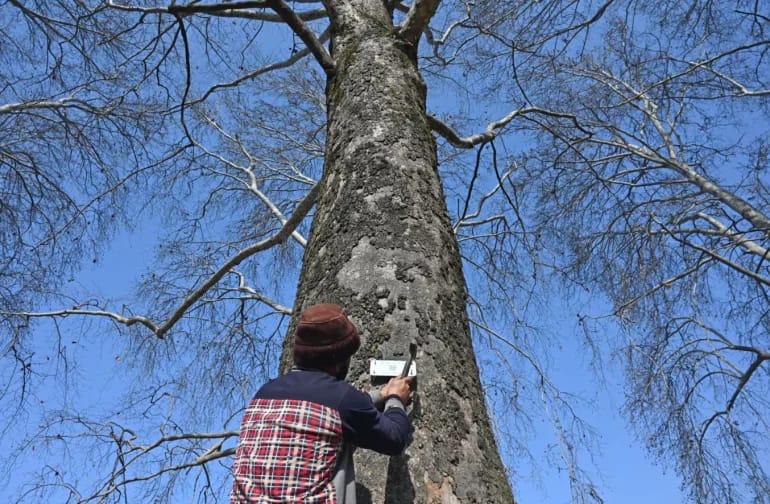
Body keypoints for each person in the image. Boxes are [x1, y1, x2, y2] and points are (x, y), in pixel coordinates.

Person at [230, 303, 414, 503]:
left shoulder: (264, 393)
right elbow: (394, 439)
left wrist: (381, 394)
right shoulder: (342, 399)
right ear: (341, 359)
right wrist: (396, 398)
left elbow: (323, 412)